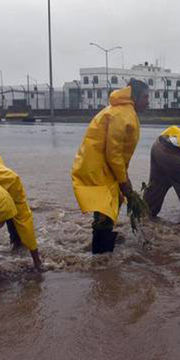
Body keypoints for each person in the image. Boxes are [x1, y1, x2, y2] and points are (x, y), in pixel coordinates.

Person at [71, 79, 150, 254]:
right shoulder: (123, 115)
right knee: (105, 212)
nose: (148, 101)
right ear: (134, 97)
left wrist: (124, 178)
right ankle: (101, 260)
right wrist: (124, 182)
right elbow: (113, 153)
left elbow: (118, 153)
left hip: (101, 167)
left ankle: (101, 254)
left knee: (109, 206)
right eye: (145, 97)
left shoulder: (124, 112)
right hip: (98, 168)